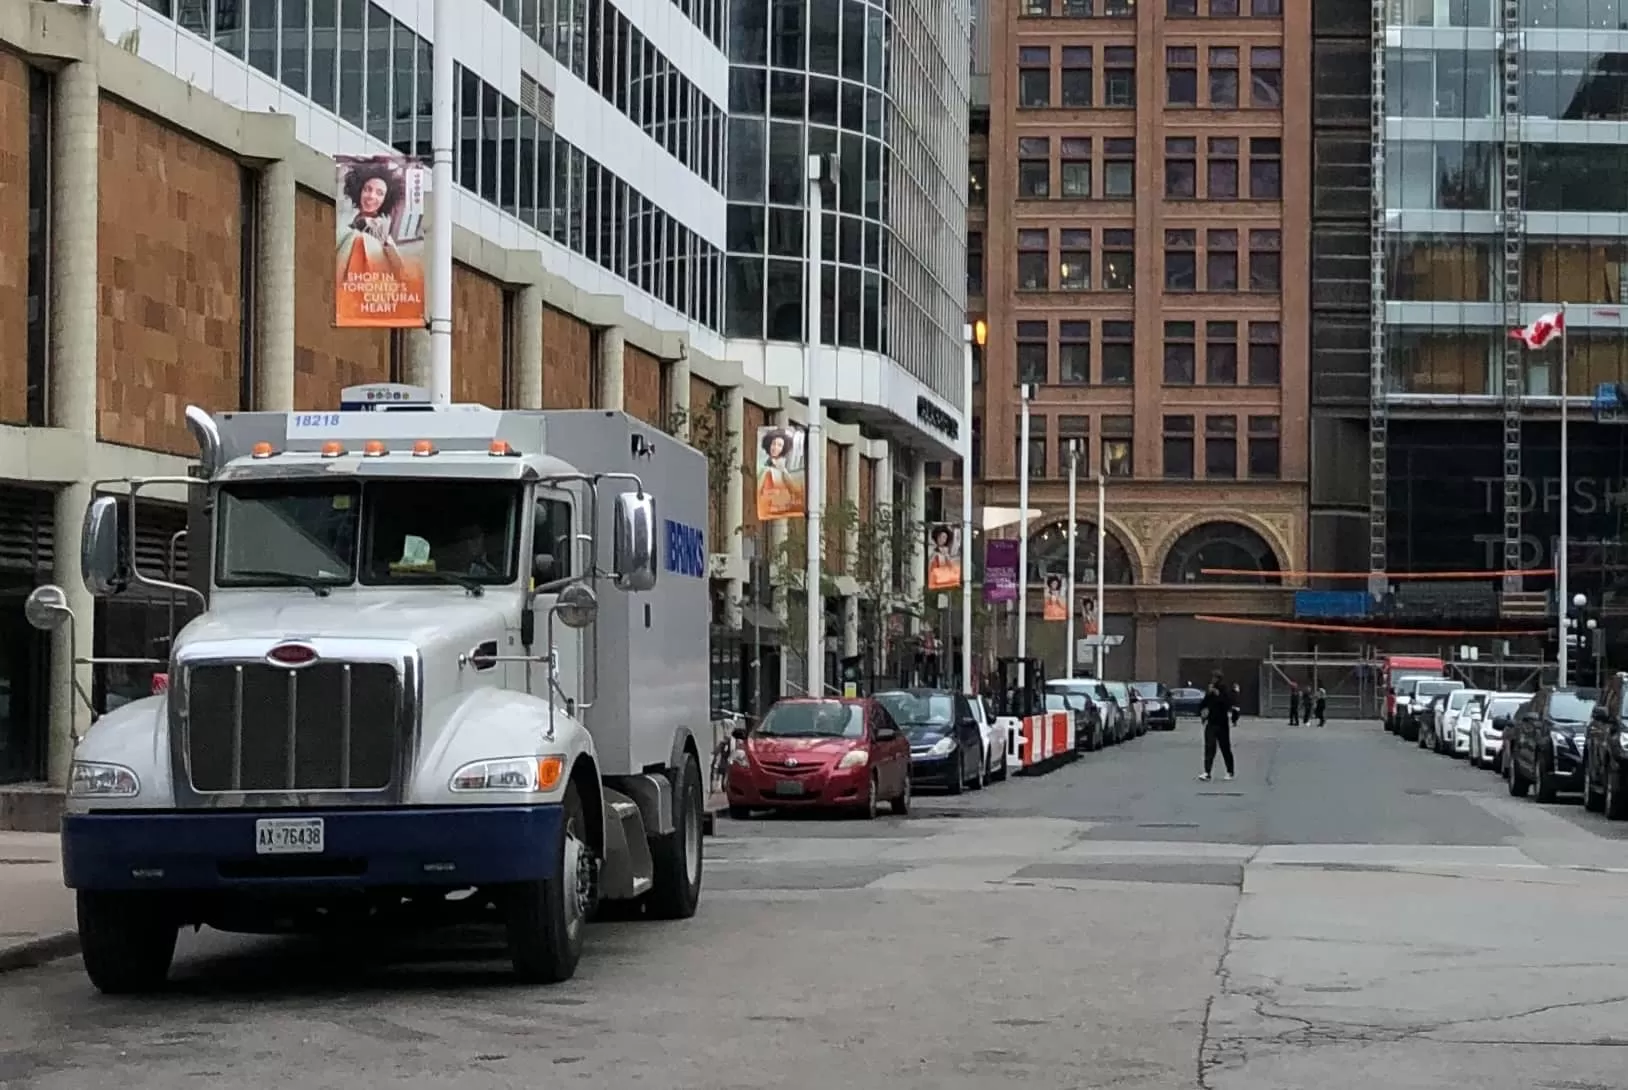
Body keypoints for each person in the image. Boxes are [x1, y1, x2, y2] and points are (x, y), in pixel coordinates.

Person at [1197, 670, 1235, 782]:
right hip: (1211, 722)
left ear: (1219, 679)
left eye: (1215, 678)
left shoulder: (1224, 690)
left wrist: (1218, 694)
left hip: (1222, 723)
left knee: (1225, 748)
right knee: (1209, 746)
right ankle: (1207, 772)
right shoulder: (1210, 690)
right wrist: (1202, 712)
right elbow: (1204, 703)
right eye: (1212, 677)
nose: (1213, 680)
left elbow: (1227, 704)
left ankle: (1230, 771)